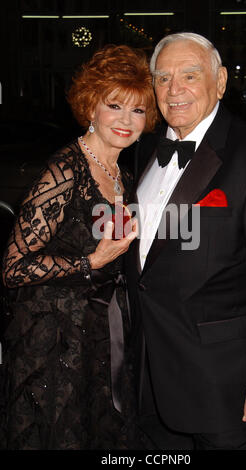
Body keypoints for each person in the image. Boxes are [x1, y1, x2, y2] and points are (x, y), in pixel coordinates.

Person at [126, 32, 246, 450]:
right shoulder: (141, 149)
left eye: (189, 75)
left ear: (219, 82)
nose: (174, 89)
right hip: (145, 378)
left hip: (224, 388)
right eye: (163, 78)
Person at [0, 44, 158, 450]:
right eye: (114, 105)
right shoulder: (65, 170)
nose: (126, 120)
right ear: (91, 108)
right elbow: (14, 267)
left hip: (101, 335)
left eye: (137, 110)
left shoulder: (122, 173)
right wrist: (92, 261)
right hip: (55, 339)